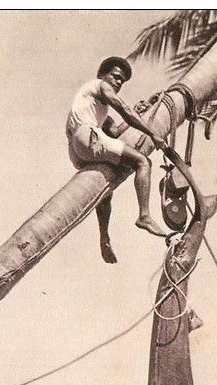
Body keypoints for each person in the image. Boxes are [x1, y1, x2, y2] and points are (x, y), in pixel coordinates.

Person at [66, 55, 167, 263]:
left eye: (122, 81)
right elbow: (126, 111)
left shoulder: (94, 106)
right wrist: (153, 134)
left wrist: (145, 106)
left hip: (78, 148)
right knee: (142, 161)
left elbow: (114, 131)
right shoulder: (101, 86)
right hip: (88, 136)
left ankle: (104, 237)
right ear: (103, 75)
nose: (119, 82)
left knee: (105, 192)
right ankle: (144, 215)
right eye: (116, 77)